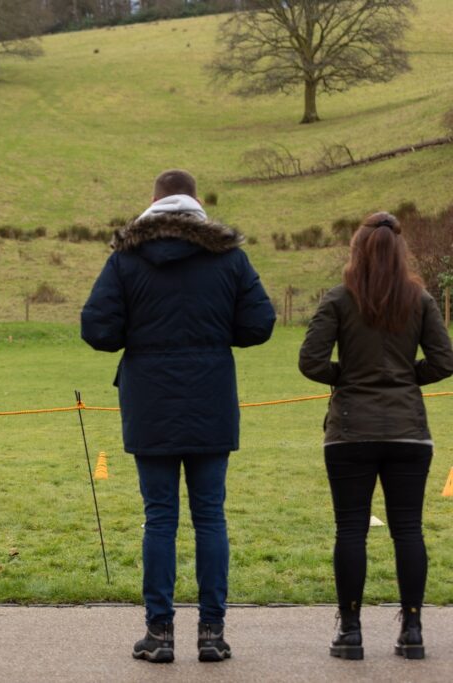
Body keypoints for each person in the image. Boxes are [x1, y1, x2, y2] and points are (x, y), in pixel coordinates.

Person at [81, 170, 275, 663]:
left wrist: (138, 332)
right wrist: (215, 333)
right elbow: (259, 323)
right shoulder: (228, 257)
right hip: (211, 397)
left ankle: (160, 632)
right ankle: (212, 632)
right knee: (210, 516)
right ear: (196, 202)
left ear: (153, 201)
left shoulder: (126, 259)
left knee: (159, 518)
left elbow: (98, 329)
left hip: (150, 402)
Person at [299, 212, 453, 661]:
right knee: (408, 529)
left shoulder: (338, 299)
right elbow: (444, 361)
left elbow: (310, 361)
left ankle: (350, 632)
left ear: (357, 251)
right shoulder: (420, 298)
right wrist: (404, 377)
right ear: (401, 252)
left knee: (350, 528)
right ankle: (412, 629)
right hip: (407, 429)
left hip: (351, 429)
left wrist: (347, 377)